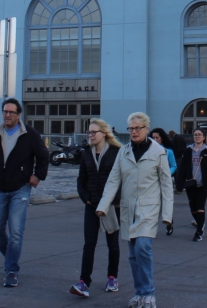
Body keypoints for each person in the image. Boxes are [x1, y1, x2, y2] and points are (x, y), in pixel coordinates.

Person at [96, 112, 173, 308]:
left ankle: (149, 294)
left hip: (149, 209)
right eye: (130, 128)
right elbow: (114, 180)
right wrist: (103, 205)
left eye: (137, 128)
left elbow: (166, 185)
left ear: (146, 129)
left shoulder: (158, 152)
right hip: (128, 208)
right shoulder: (124, 152)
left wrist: (167, 215)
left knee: (142, 248)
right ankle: (139, 293)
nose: (133, 132)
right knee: (132, 254)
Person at [0, 98, 49, 288]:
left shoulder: (29, 134)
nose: (7, 115)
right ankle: (10, 259)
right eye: (5, 111)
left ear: (18, 115)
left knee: (15, 231)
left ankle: (11, 270)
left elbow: (44, 155)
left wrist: (38, 176)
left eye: (11, 112)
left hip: (20, 188)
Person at [70, 119, 121, 298]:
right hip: (92, 205)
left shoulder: (116, 152)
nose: (91, 135)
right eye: (89, 132)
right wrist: (86, 198)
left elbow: (122, 179)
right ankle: (84, 281)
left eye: (94, 132)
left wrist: (114, 200)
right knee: (89, 244)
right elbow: (81, 179)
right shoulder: (86, 153)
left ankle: (112, 277)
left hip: (111, 206)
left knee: (112, 244)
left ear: (104, 133)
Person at [180, 128, 207, 241]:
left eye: (199, 135)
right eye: (195, 135)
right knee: (193, 208)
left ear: (204, 137)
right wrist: (180, 183)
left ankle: (199, 231)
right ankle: (200, 222)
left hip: (203, 184)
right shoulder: (188, 150)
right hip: (191, 184)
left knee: (200, 206)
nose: (197, 136)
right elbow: (182, 168)